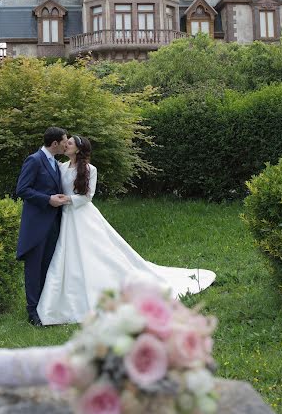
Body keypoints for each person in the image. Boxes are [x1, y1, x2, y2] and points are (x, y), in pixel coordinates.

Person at [37, 136, 216, 325]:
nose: (66, 145)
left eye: (70, 143)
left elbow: (88, 196)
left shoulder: (90, 170)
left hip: (82, 215)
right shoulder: (61, 167)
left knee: (95, 252)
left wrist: (67, 200)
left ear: (79, 149)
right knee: (67, 254)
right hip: (66, 217)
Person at [16, 126, 68, 326]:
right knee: (34, 268)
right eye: (64, 140)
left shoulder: (55, 163)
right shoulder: (34, 160)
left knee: (47, 267)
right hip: (37, 224)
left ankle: (45, 308)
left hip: (53, 223)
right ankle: (32, 312)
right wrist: (48, 199)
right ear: (55, 143)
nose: (66, 143)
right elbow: (22, 189)